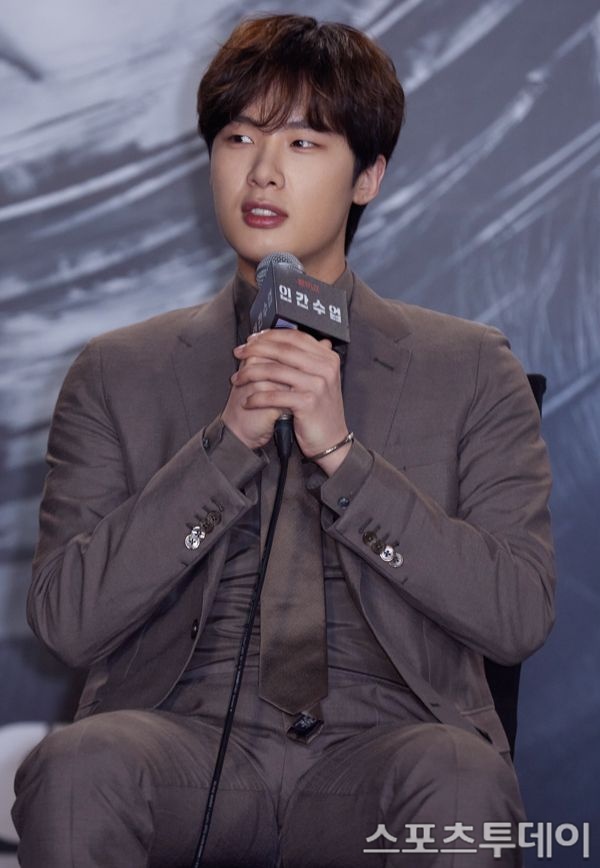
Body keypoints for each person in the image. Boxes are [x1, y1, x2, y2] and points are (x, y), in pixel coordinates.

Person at [12, 13, 555, 868]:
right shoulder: (119, 370)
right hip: (184, 744)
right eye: (238, 137)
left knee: (461, 777)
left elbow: (516, 615)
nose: (262, 171)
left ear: (367, 176)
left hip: (387, 750)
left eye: (303, 143)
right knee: (80, 769)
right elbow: (66, 622)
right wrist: (225, 447)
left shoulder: (469, 367)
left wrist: (345, 460)